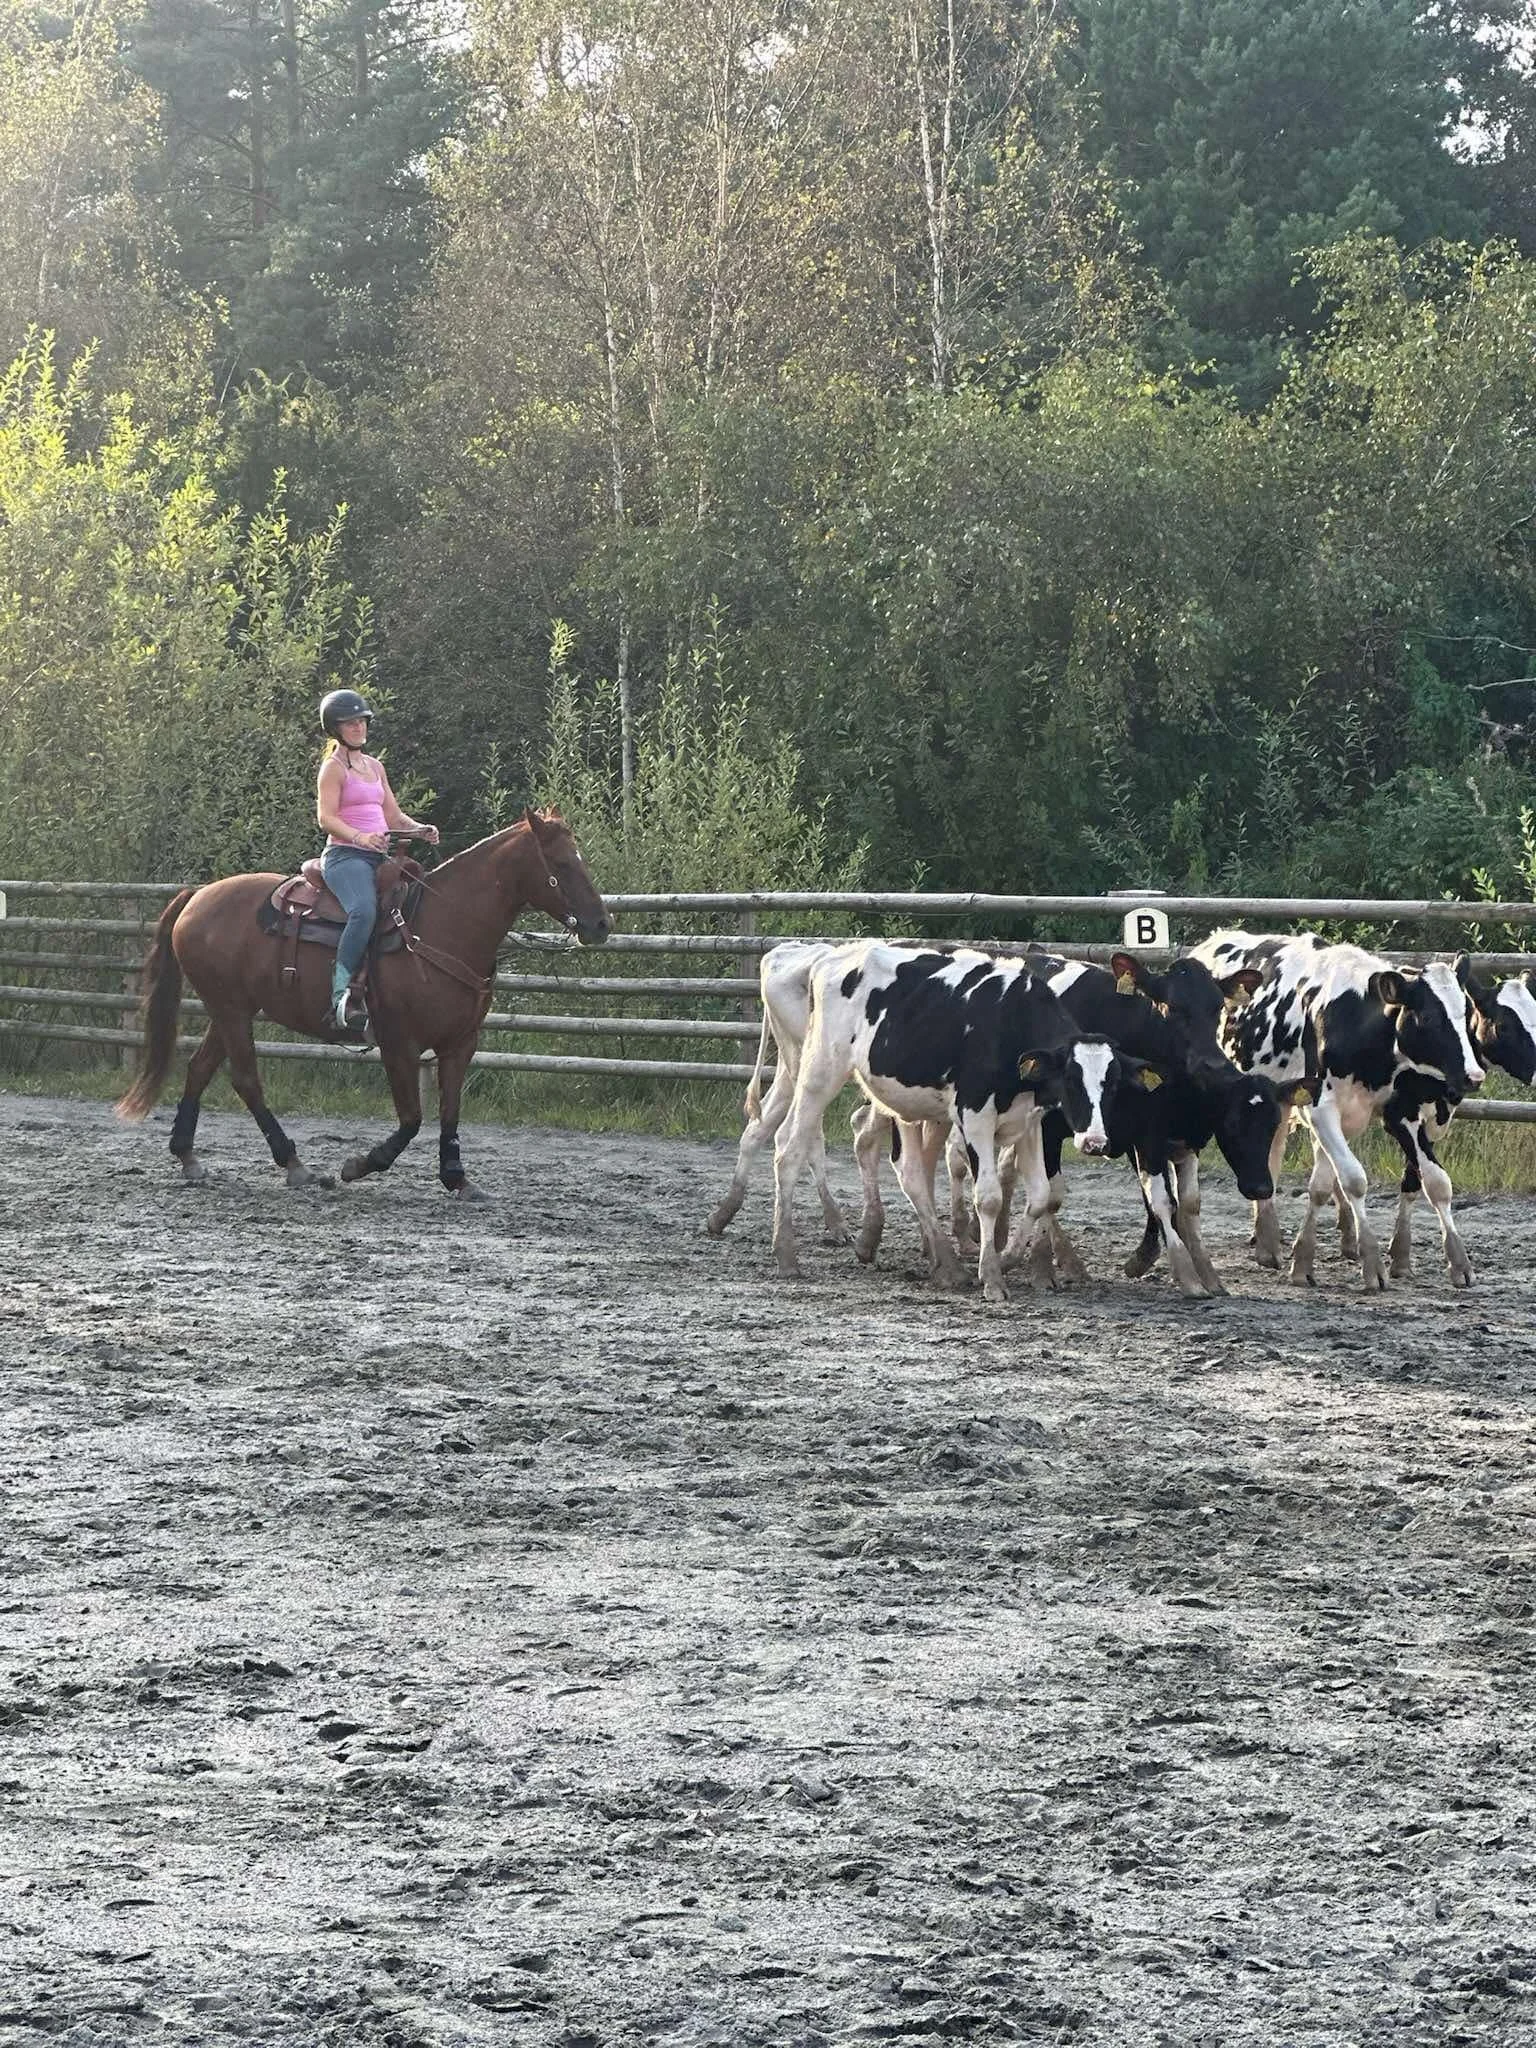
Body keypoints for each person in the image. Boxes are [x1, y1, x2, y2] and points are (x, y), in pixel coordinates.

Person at [315, 689, 439, 1037]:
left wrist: (420, 829)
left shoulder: (375, 767)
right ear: (335, 729)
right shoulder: (333, 769)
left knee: (421, 901)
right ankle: (340, 995)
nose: (358, 727)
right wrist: (360, 837)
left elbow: (393, 815)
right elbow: (325, 818)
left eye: (361, 720)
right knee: (364, 911)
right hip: (346, 856)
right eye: (349, 722)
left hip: (379, 857)